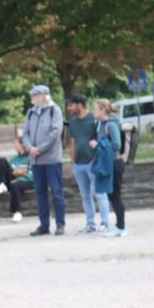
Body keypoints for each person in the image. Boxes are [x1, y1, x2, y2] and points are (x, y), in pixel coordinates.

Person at [22, 84, 66, 236]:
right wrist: (29, 147)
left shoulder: (55, 110)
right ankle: (44, 225)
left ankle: (60, 224)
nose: (32, 99)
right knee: (40, 193)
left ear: (43, 96)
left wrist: (40, 148)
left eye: (35, 96)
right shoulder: (30, 113)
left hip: (51, 159)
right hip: (36, 160)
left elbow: (55, 133)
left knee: (56, 192)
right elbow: (25, 132)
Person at [91, 99, 125, 236]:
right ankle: (119, 226)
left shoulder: (110, 125)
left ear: (103, 110)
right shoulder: (100, 124)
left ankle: (121, 227)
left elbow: (117, 145)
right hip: (108, 163)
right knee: (112, 195)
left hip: (115, 163)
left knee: (115, 195)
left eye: (96, 109)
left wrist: (97, 145)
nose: (94, 111)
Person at [66, 94, 99, 234]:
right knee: (85, 195)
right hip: (78, 164)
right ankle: (90, 224)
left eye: (70, 105)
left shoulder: (94, 119)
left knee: (97, 193)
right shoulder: (73, 122)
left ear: (79, 105)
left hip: (92, 163)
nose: (68, 108)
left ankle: (103, 223)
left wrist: (95, 159)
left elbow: (100, 140)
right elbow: (72, 142)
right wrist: (72, 161)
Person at [7, 135, 34, 223]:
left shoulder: (30, 157)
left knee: (15, 185)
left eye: (15, 144)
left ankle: (17, 212)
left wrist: (20, 179)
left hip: (29, 181)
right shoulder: (14, 159)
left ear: (22, 145)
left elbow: (31, 174)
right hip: (14, 181)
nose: (14, 146)